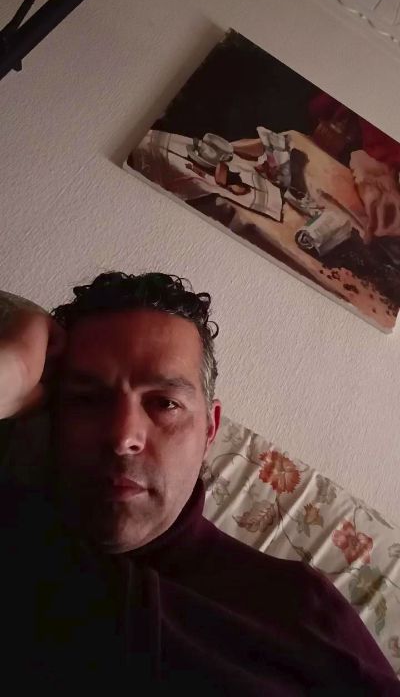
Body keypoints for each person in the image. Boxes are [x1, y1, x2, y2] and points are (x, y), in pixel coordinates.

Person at [0, 271, 399, 696]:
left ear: (210, 430)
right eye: (88, 399)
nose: (123, 436)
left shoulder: (299, 606)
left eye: (165, 403)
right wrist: (15, 367)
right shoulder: (15, 540)